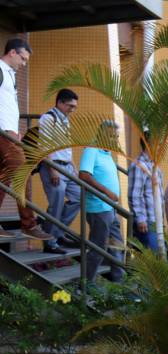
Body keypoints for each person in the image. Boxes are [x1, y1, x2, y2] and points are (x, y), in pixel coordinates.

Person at [0, 38, 51, 241]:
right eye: (23, 58)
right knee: (24, 171)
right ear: (12, 52)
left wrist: (15, 130)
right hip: (3, 134)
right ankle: (29, 224)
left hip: (9, 134)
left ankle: (28, 225)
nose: (24, 64)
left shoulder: (10, 75)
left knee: (4, 179)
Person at [78, 120, 124, 284]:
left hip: (110, 209)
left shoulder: (107, 154)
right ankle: (85, 284)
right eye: (111, 136)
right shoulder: (91, 150)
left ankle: (120, 285)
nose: (114, 139)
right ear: (102, 135)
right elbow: (84, 175)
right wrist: (106, 192)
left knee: (118, 246)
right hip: (98, 208)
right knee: (98, 248)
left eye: (116, 136)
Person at [38, 88, 80, 254]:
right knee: (57, 200)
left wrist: (74, 167)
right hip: (53, 166)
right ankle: (50, 242)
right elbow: (44, 146)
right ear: (60, 102)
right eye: (70, 106)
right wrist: (52, 170)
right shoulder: (48, 118)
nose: (72, 109)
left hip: (67, 166)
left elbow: (66, 149)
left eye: (74, 106)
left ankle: (55, 231)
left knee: (79, 197)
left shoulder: (65, 120)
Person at [127, 133, 162, 251]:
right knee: (151, 258)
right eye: (158, 142)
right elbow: (134, 195)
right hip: (146, 223)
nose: (161, 145)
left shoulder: (154, 165)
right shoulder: (139, 165)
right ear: (149, 144)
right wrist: (140, 218)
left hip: (156, 220)